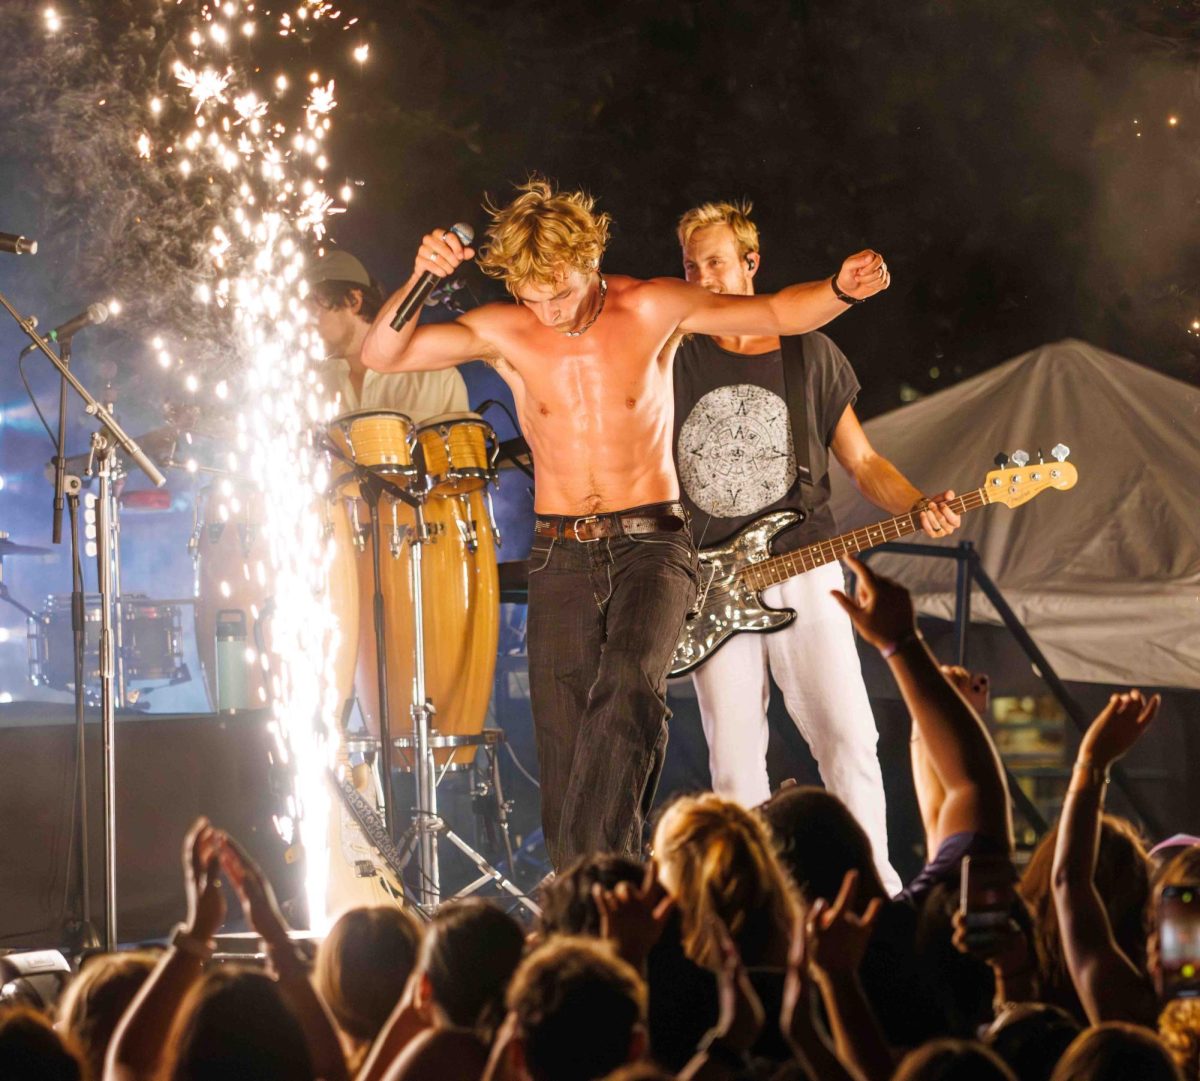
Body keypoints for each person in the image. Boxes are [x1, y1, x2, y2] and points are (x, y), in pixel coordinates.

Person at [361, 178, 889, 867]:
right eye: (531, 293)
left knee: (630, 687)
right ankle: (594, 884)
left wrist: (841, 290)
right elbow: (382, 353)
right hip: (560, 551)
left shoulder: (649, 306)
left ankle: (597, 880)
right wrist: (423, 277)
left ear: (588, 257)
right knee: (563, 730)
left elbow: (778, 314)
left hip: (654, 545)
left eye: (559, 289)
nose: (547, 308)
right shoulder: (506, 328)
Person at [671, 200, 961, 894]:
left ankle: (880, 894)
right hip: (711, 584)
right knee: (736, 762)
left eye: (715, 261)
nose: (701, 275)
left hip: (805, 564)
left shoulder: (811, 351)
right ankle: (743, 905)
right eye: (689, 264)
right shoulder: (674, 353)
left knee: (849, 737)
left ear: (752, 264)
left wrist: (916, 503)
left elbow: (863, 462)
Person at [307, 249, 468, 421]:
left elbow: (465, 447)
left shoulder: (437, 376)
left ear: (353, 300)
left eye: (312, 311)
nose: (305, 326)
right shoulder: (312, 386)